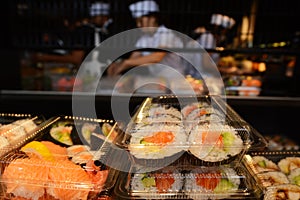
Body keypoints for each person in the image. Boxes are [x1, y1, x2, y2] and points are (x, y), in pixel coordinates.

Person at [107, 0, 184, 78]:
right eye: (136, 21)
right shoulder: (143, 39)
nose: (138, 25)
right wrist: (119, 65)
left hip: (175, 79)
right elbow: (134, 57)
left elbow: (157, 57)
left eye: (141, 21)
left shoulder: (166, 34)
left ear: (153, 18)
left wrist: (126, 63)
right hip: (157, 79)